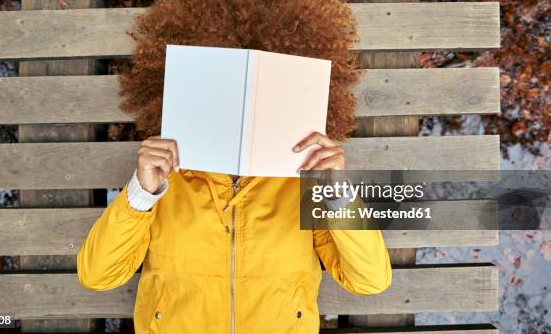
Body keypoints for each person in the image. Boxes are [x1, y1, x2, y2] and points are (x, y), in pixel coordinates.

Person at [77, 131, 392, 333]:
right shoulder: (165, 181)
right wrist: (141, 193)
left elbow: (370, 279)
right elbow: (98, 275)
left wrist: (338, 192)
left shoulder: (304, 186)